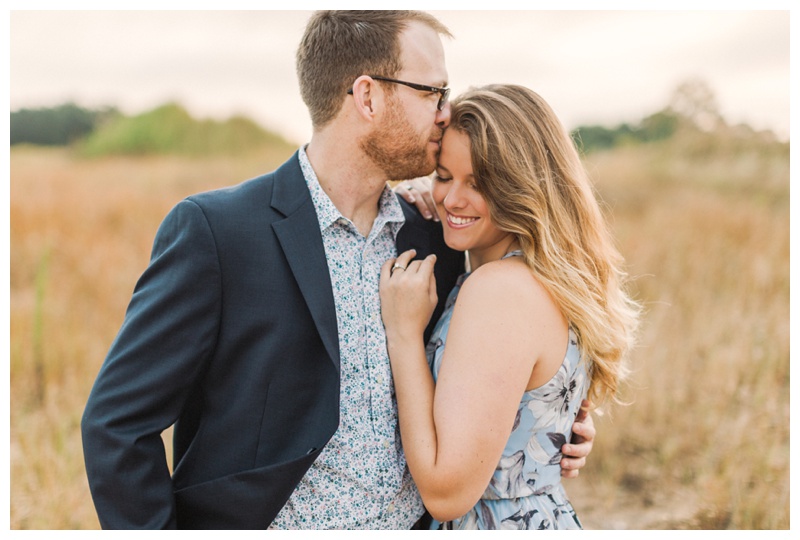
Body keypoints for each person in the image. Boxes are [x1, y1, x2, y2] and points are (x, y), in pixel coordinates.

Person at [81, 12, 594, 530]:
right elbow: (117, 425)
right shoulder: (218, 232)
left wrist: (551, 429)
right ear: (368, 97)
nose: (446, 112)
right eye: (432, 92)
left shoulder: (435, 234)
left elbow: (485, 375)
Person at [379, 84, 640, 529]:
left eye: (479, 184)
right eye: (444, 176)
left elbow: (446, 493)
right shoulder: (541, 276)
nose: (452, 200)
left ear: (521, 188)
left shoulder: (499, 290)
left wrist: (403, 334)